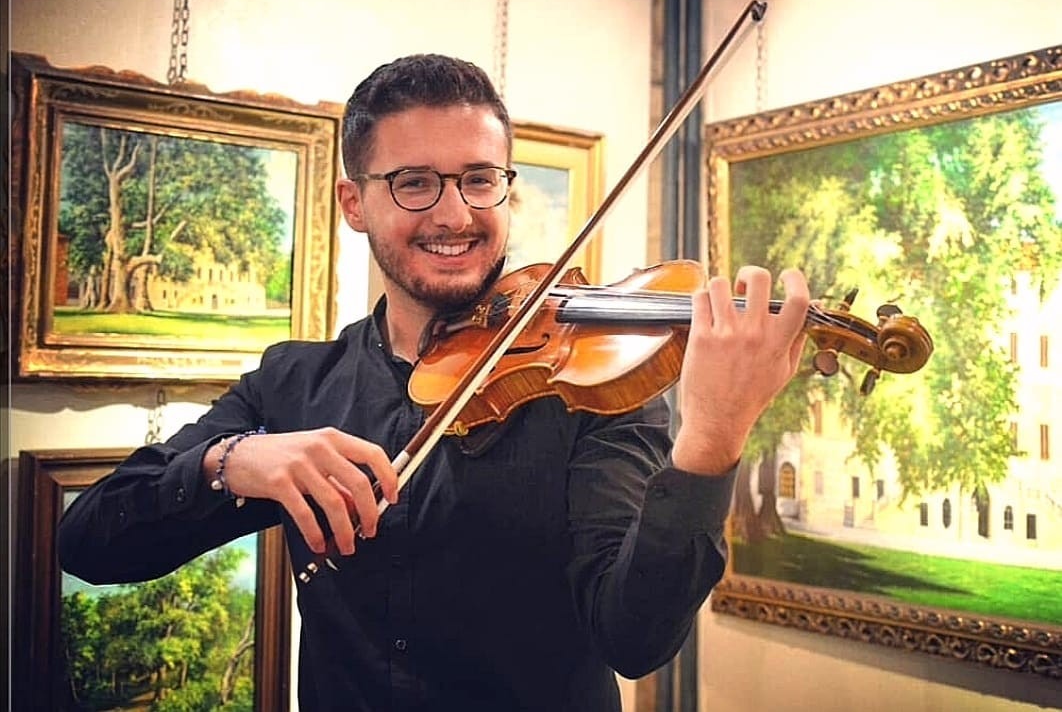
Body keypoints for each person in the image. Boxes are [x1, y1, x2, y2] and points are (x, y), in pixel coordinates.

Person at [59, 53, 810, 711]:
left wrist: (712, 440)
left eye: (480, 180)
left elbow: (634, 637)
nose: (455, 214)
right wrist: (233, 461)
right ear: (355, 203)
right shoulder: (294, 383)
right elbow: (92, 542)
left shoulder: (588, 386)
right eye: (414, 183)